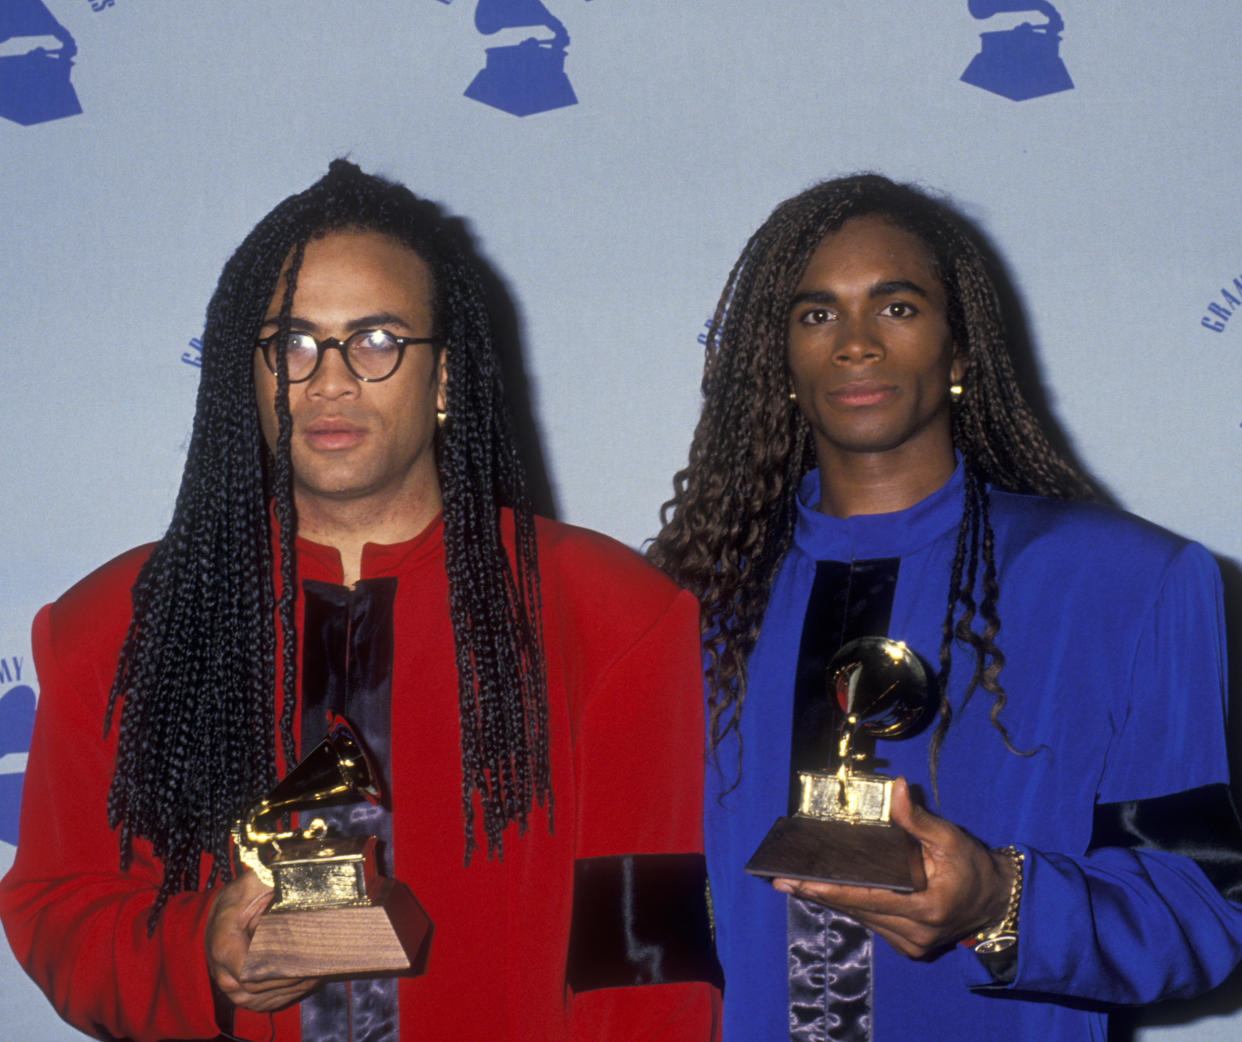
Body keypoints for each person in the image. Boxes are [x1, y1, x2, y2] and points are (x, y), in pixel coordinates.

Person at [0, 160, 720, 1042]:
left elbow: (644, 957)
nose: (330, 381)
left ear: (447, 377)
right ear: (250, 375)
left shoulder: (611, 617)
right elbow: (58, 908)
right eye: (292, 344)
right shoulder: (111, 626)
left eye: (377, 339)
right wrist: (202, 954)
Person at [649, 173, 1242, 1040]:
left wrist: (1000, 901)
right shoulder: (684, 606)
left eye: (897, 308)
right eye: (817, 315)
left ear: (961, 353)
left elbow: (1204, 911)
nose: (856, 343)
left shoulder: (1129, 583)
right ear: (779, 361)